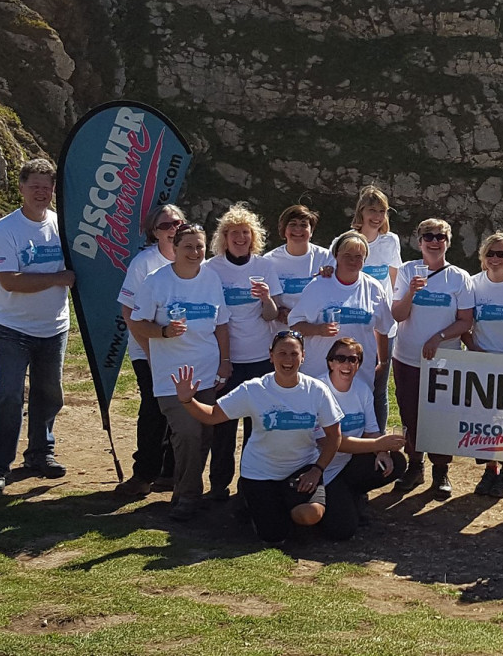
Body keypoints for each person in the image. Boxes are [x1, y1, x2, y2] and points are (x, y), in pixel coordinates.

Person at [170, 330, 343, 545]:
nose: (288, 360)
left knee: (310, 515)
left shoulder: (317, 390)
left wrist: (317, 470)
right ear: (271, 356)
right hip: (260, 472)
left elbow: (334, 435)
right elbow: (213, 415)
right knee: (273, 537)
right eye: (282, 353)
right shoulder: (253, 389)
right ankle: (257, 505)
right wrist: (187, 401)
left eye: (294, 354)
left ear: (303, 357)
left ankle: (282, 506)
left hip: (301, 470)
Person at [0, 158, 76, 493]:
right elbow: (10, 281)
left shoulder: (62, 225)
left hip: (54, 326)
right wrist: (58, 278)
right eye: (34, 186)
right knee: (9, 394)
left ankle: (40, 453)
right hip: (12, 327)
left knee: (49, 394)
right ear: (21, 187)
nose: (40, 192)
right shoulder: (5, 228)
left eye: (46, 187)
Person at [129, 223, 231, 521]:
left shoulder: (211, 278)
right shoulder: (156, 281)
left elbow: (221, 324)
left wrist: (225, 361)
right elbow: (137, 323)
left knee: (204, 434)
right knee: (187, 433)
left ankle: (185, 493)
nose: (195, 252)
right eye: (188, 246)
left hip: (207, 372)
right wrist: (163, 332)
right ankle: (188, 496)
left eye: (200, 246)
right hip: (172, 375)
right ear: (174, 248)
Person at [203, 204, 282, 501]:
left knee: (257, 427)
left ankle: (249, 487)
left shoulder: (264, 266)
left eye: (245, 232)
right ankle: (218, 485)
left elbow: (272, 315)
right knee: (223, 426)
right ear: (224, 238)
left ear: (253, 236)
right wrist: (221, 360)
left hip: (260, 358)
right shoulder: (211, 268)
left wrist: (266, 299)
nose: (240, 238)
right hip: (225, 360)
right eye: (234, 233)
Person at [391, 218, 474, 499]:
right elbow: (398, 315)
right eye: (428, 236)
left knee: (441, 415)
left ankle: (441, 470)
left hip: (444, 360)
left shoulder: (459, 277)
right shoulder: (407, 271)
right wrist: (411, 293)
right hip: (408, 357)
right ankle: (415, 465)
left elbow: (465, 321)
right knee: (410, 412)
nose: (434, 241)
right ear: (419, 242)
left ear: (448, 242)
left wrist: (438, 337)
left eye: (440, 237)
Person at [115, 203, 185, 497]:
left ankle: (169, 473)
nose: (173, 230)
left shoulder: (194, 257)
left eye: (177, 223)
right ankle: (143, 474)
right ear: (154, 232)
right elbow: (128, 311)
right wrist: (151, 350)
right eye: (165, 225)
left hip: (182, 350)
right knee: (153, 410)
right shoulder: (144, 262)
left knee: (179, 410)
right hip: (148, 350)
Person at [314, 338, 407, 539]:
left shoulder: (362, 389)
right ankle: (331, 500)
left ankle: (351, 493)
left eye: (353, 359)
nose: (347, 364)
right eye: (341, 358)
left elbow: (371, 430)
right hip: (322, 469)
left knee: (396, 462)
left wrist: (382, 451)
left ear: (358, 364)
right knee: (342, 531)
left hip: (349, 463)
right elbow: (329, 442)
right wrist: (377, 444)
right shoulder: (318, 390)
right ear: (330, 362)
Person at [462, 232, 503, 498]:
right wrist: (476, 351)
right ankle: (489, 468)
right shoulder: (473, 284)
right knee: (484, 419)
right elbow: (464, 322)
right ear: (483, 256)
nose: (495, 259)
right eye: (490, 253)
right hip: (481, 361)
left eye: (501, 254)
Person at [288, 231, 394, 392]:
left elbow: (383, 329)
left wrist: (383, 362)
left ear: (365, 259)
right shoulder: (318, 285)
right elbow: (295, 324)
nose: (353, 260)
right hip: (319, 375)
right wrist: (318, 329)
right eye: (347, 255)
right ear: (336, 256)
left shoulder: (374, 288)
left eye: (358, 256)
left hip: (359, 376)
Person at [350, 185, 403, 433]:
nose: (377, 216)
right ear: (361, 211)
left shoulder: (390, 241)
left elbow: (395, 279)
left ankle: (378, 441)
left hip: (384, 327)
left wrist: (397, 314)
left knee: (379, 389)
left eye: (382, 211)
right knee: (351, 383)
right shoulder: (346, 241)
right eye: (372, 210)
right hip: (355, 324)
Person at [265, 205, 330, 332]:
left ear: (311, 231)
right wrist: (279, 312)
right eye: (292, 224)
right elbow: (266, 301)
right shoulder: (269, 261)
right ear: (284, 230)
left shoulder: (326, 257)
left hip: (316, 333)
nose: (298, 229)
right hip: (282, 333)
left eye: (303, 225)